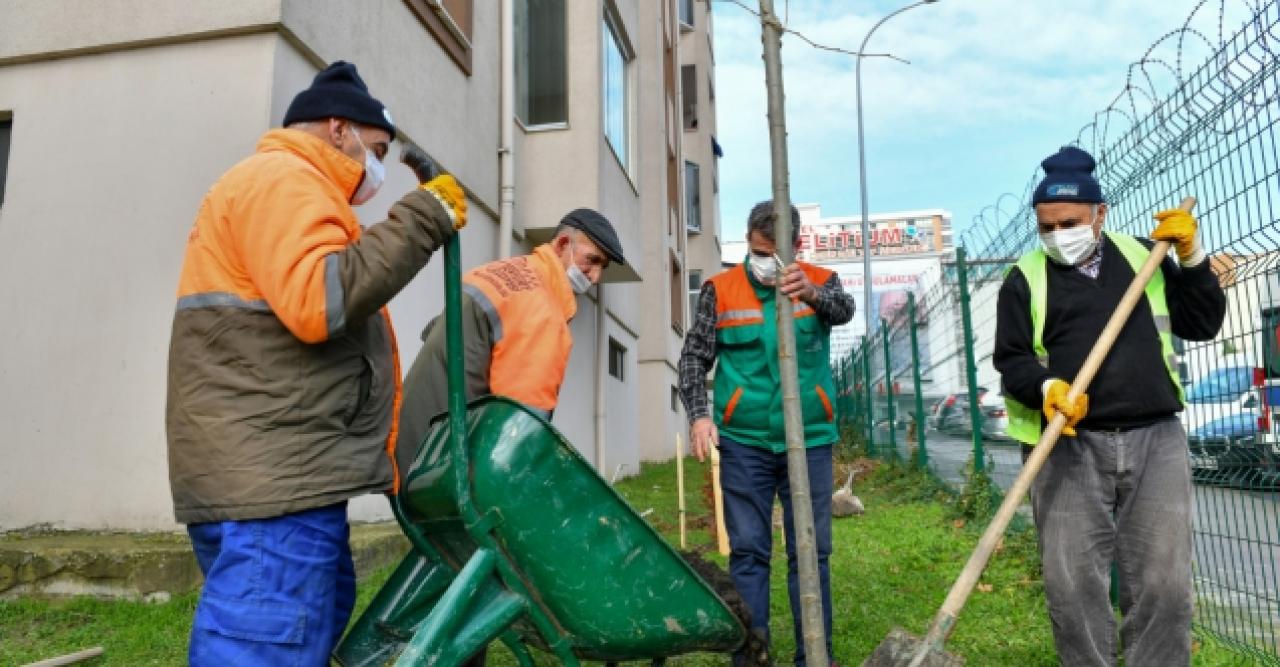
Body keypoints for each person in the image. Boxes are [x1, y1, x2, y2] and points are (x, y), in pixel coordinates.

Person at [166, 61, 466, 666]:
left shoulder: (287, 188)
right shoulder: (285, 179)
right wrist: (424, 216)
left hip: (281, 478)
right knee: (265, 646)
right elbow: (319, 299)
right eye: (376, 150)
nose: (376, 167)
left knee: (301, 629)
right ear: (338, 129)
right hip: (274, 488)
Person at [993, 146, 1226, 666]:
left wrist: (1191, 260)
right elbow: (1011, 359)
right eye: (1047, 227)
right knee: (1073, 590)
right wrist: (1048, 388)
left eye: (1069, 222)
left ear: (1100, 214)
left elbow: (1203, 322)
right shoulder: (1023, 277)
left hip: (1155, 439)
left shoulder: (1146, 258)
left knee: (1164, 585)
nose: (1058, 236)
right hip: (1068, 447)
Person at [392, 208, 624, 666]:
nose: (594, 277)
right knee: (479, 574)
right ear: (561, 245)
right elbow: (520, 428)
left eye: (601, 269)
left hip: (414, 445)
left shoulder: (496, 274)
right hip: (448, 462)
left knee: (456, 570)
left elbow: (432, 334)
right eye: (590, 261)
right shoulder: (542, 311)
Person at [679, 201, 855, 666]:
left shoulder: (820, 281)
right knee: (749, 554)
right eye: (757, 250)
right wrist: (699, 415)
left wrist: (811, 294)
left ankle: (815, 657)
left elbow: (845, 310)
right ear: (748, 241)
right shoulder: (720, 289)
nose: (763, 261)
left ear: (795, 247)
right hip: (745, 442)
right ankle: (751, 660)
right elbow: (694, 358)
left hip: (810, 439)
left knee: (810, 554)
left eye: (773, 253)